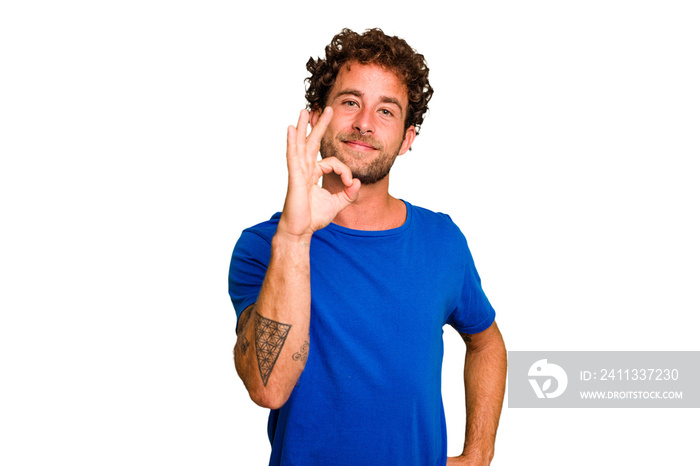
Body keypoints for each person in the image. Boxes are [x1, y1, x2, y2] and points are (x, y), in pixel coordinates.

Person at [229, 28, 507, 466]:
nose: (364, 123)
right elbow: (268, 387)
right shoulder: (265, 245)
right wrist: (296, 236)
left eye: (386, 111)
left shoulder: (442, 241)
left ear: (408, 138)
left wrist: (478, 454)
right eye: (351, 102)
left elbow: (486, 342)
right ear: (319, 115)